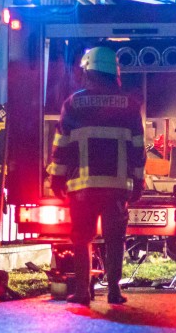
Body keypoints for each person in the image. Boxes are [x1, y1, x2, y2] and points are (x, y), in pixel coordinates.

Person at [46, 46, 145, 306]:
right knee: (115, 239)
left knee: (82, 238)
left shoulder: (73, 104)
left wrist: (56, 179)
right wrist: (138, 181)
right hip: (116, 187)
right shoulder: (130, 106)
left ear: (87, 70)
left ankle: (82, 292)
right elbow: (137, 147)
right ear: (115, 72)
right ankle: (114, 291)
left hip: (83, 188)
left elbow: (61, 145)